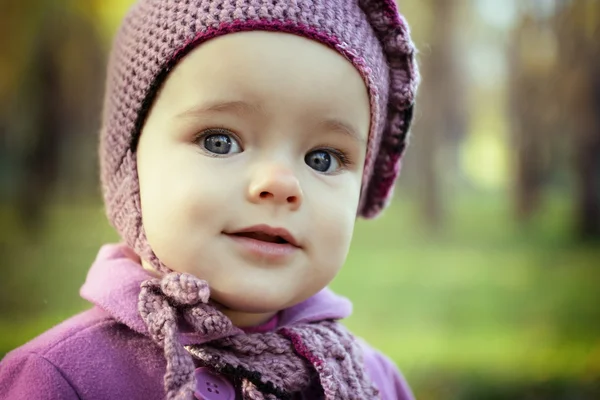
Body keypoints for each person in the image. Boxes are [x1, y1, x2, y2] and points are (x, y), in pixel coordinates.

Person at [0, 0, 419, 398]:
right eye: (220, 142)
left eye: (323, 159)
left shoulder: (373, 383)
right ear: (129, 161)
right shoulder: (58, 379)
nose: (280, 184)